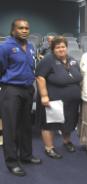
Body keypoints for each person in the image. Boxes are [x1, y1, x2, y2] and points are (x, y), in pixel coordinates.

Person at [0, 18, 41, 177]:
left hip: (27, 90)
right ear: (13, 30)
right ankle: (11, 162)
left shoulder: (30, 47)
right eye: (21, 28)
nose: (24, 30)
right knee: (10, 128)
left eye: (26, 28)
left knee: (25, 125)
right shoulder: (5, 47)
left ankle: (26, 155)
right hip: (11, 90)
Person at [36, 36, 82, 159]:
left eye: (63, 47)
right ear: (53, 49)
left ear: (67, 48)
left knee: (68, 121)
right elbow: (40, 78)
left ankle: (66, 141)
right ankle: (49, 148)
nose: (61, 49)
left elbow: (78, 77)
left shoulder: (72, 60)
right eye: (58, 47)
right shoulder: (47, 60)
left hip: (71, 101)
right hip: (53, 100)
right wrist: (44, 95)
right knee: (50, 124)